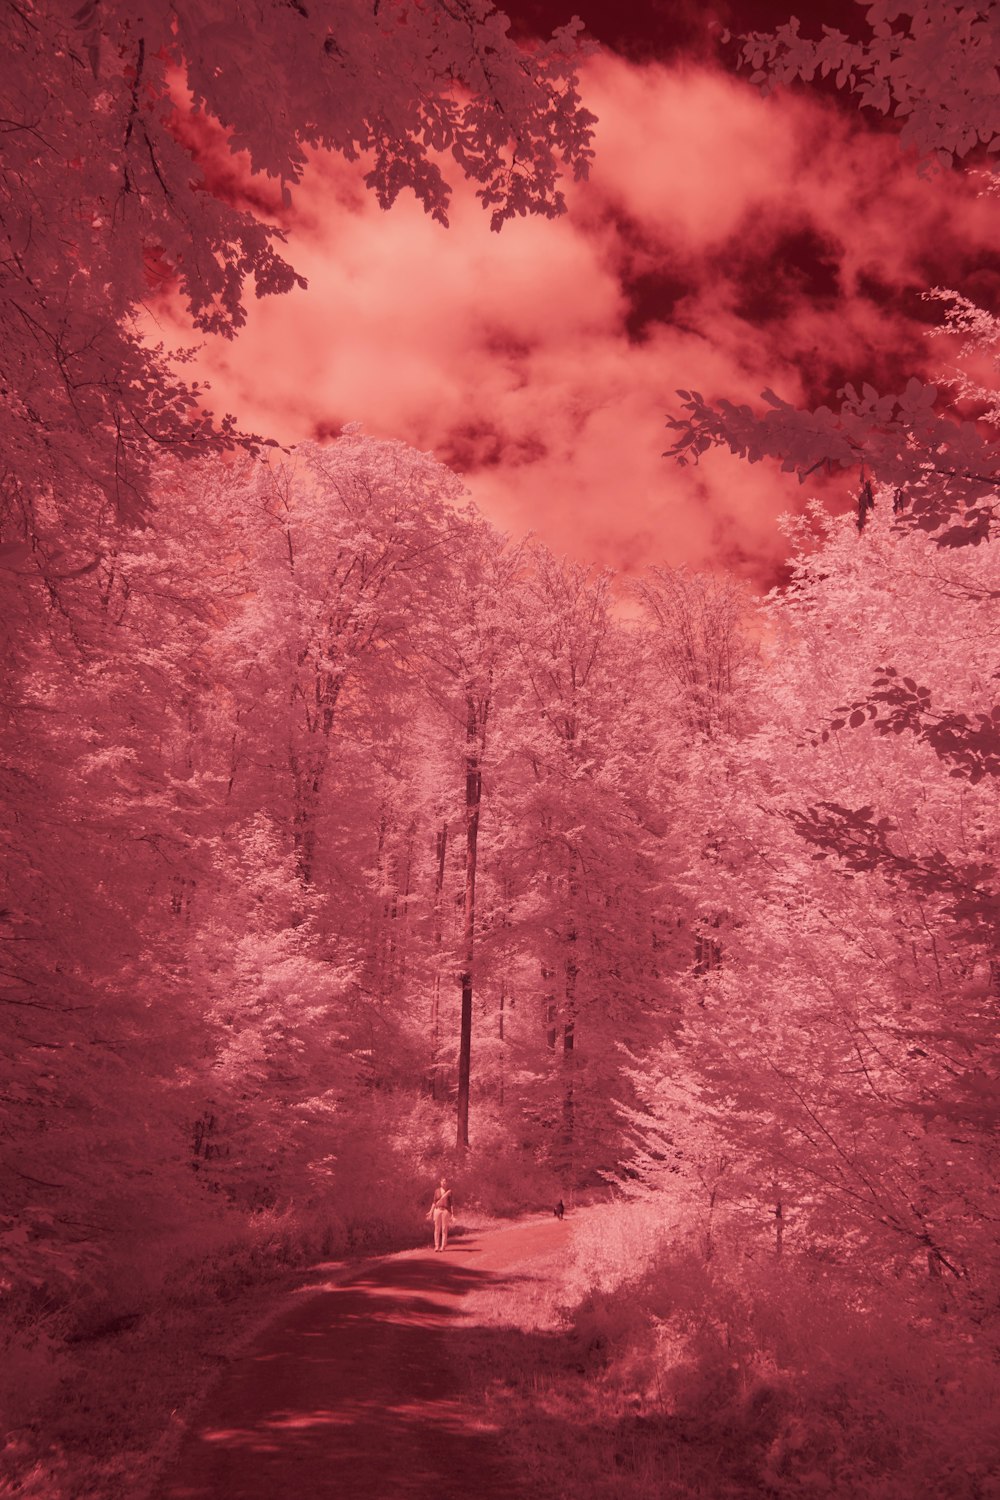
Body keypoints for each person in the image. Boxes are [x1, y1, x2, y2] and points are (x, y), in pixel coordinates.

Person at [428, 1177, 453, 1251]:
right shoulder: (437, 1191)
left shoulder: (449, 1191)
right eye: (442, 1181)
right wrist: (431, 1211)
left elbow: (451, 1204)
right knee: (437, 1228)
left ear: (447, 1183)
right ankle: (436, 1246)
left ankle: (443, 1246)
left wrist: (452, 1214)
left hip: (445, 1211)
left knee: (444, 1229)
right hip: (437, 1210)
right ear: (440, 1182)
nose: (443, 1183)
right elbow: (434, 1202)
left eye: (445, 1181)